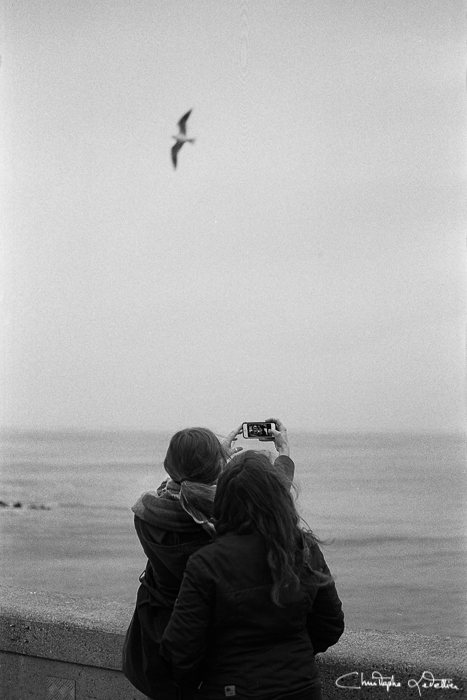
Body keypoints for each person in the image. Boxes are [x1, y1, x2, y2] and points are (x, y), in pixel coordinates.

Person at [122, 419, 294, 700]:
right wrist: (283, 455)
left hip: (157, 639)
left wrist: (210, 464)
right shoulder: (224, 520)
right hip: (214, 651)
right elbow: (274, 511)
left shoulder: (145, 514)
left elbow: (176, 489)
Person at [160, 449, 344, 700]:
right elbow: (331, 624)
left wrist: (206, 681)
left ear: (223, 500)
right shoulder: (303, 548)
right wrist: (292, 657)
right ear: (278, 498)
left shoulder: (207, 563)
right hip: (301, 688)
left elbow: (180, 648)